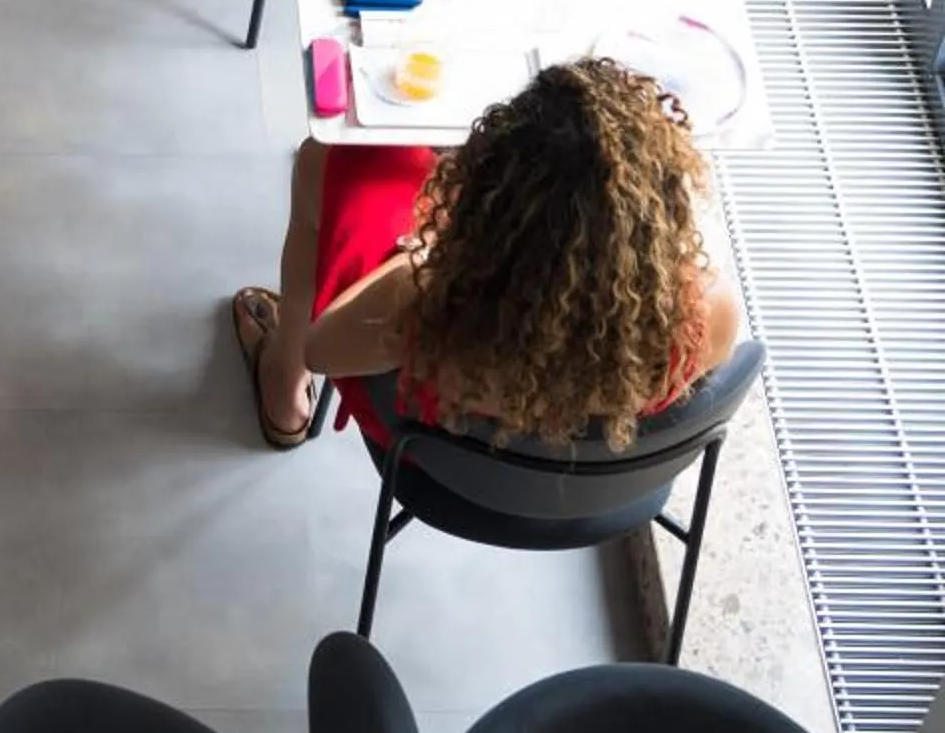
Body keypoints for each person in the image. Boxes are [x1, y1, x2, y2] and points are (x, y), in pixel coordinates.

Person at [232, 59, 745, 453]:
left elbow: (323, 351)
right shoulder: (712, 310)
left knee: (329, 156)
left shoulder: (429, 295)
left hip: (442, 457)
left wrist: (432, 251)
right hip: (574, 478)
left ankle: (284, 390)